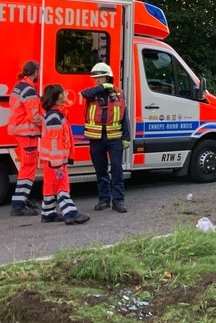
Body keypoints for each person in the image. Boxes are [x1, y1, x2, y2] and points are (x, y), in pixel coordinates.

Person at [81, 63, 130, 213]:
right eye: (95, 78)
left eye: (99, 78)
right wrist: (102, 87)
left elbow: (124, 117)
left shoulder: (118, 94)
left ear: (107, 77)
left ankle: (118, 201)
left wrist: (126, 137)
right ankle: (104, 200)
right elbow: (85, 93)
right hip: (96, 139)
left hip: (115, 138)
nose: (96, 80)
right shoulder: (92, 93)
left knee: (116, 170)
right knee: (100, 170)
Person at [38, 84, 90, 225]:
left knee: (50, 186)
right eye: (63, 92)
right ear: (58, 96)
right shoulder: (55, 116)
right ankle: (70, 213)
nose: (65, 94)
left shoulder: (53, 114)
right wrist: (58, 163)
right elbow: (55, 142)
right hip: (55, 160)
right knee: (62, 185)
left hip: (50, 159)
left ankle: (48, 213)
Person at [8, 60, 42, 216]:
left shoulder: (18, 86)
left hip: (18, 132)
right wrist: (48, 124)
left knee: (24, 168)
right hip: (27, 133)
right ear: (35, 72)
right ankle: (19, 204)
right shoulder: (29, 90)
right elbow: (34, 116)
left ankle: (22, 199)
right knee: (28, 169)